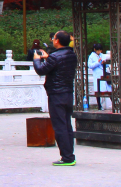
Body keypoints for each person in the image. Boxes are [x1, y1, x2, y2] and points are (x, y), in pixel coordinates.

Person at [34, 31, 78, 166]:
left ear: (57, 41)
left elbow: (41, 70)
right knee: (67, 125)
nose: (53, 40)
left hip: (56, 94)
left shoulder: (54, 57)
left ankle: (67, 157)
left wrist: (36, 59)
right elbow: (59, 64)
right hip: (68, 93)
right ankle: (70, 155)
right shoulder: (72, 55)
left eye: (54, 38)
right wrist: (48, 57)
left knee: (60, 127)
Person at [87, 43, 110, 109]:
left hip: (103, 73)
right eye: (98, 50)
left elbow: (107, 65)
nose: (99, 52)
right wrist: (97, 62)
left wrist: (104, 63)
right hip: (97, 74)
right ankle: (99, 105)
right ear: (95, 50)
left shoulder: (102, 55)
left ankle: (113, 104)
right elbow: (90, 65)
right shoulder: (92, 56)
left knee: (108, 88)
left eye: (100, 50)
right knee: (98, 89)